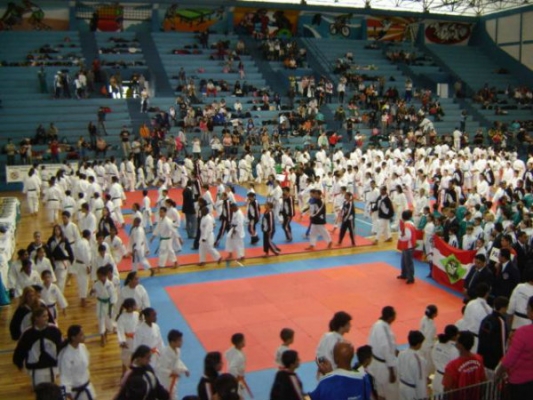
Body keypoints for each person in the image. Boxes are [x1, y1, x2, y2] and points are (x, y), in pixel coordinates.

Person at [13, 307, 62, 388]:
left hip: (51, 366)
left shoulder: (54, 330)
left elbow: (60, 347)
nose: (47, 318)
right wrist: (19, 363)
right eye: (44, 316)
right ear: (36, 318)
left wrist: (61, 364)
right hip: (36, 368)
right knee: (39, 390)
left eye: (47, 316)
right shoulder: (28, 333)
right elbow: (21, 350)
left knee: (52, 389)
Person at [495, 295, 533, 399]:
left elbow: (509, 360)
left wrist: (498, 373)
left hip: (519, 383)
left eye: (528, 308)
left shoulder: (523, 333)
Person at [367, 306, 398, 400]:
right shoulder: (383, 328)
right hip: (385, 367)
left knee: (380, 392)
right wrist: (391, 371)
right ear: (390, 317)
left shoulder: (377, 324)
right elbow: (386, 349)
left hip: (376, 362)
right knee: (392, 393)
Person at [58, 325, 96, 400]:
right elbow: (64, 378)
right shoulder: (66, 355)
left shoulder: (83, 347)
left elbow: (86, 364)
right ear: (73, 337)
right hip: (75, 392)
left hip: (87, 387)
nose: (84, 336)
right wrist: (65, 396)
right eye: (81, 335)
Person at [477, 296, 509, 378]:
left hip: (482, 358)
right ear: (503, 308)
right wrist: (503, 361)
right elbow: (503, 343)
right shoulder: (501, 322)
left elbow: (480, 336)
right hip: (493, 362)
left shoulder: (486, 318)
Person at [157, 329, 190, 400]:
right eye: (179, 340)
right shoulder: (165, 353)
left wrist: (185, 369)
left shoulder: (177, 350)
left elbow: (177, 361)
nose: (181, 342)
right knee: (166, 395)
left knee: (173, 394)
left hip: (173, 379)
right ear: (172, 342)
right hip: (165, 380)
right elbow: (160, 369)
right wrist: (171, 372)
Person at [397, 330, 428, 400]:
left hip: (402, 386)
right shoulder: (419, 360)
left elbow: (398, 371)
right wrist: (423, 397)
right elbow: (420, 380)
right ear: (418, 344)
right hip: (411, 391)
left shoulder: (401, 353)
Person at [91, 266, 117, 347]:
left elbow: (113, 295)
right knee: (101, 320)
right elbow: (93, 295)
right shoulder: (96, 284)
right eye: (98, 276)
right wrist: (92, 292)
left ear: (105, 275)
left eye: (100, 276)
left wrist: (112, 305)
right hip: (100, 304)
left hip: (109, 304)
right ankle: (102, 337)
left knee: (108, 322)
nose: (99, 277)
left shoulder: (110, 284)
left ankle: (106, 332)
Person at [463, 283, 492, 352]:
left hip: (465, 335)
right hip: (476, 340)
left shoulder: (470, 303)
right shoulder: (489, 309)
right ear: (487, 293)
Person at [150, 207, 180, 274]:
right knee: (170, 251)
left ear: (165, 213)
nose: (160, 213)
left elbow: (173, 230)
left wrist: (179, 238)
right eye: (160, 212)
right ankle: (176, 263)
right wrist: (153, 237)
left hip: (166, 240)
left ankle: (159, 268)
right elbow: (157, 229)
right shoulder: (161, 220)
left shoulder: (168, 221)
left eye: (162, 212)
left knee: (162, 253)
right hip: (165, 239)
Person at [431, 325, 459, 395]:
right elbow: (455, 367)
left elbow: (432, 356)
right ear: (454, 336)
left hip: (437, 377)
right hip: (447, 380)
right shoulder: (455, 350)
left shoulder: (437, 343)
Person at [116, 297, 139, 374]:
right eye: (134, 305)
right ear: (129, 308)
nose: (136, 306)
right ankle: (124, 371)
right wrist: (122, 341)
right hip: (127, 340)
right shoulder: (122, 318)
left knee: (136, 357)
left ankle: (134, 372)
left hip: (136, 339)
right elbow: (120, 331)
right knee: (125, 357)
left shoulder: (137, 315)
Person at [225, 333, 250, 398]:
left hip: (235, 377)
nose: (244, 341)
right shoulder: (239, 356)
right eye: (243, 340)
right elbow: (231, 368)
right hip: (237, 379)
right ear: (239, 343)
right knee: (239, 395)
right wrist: (238, 377)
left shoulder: (232, 349)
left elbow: (226, 354)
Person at [72, 229, 93, 307]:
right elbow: (86, 256)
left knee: (81, 282)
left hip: (78, 264)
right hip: (83, 264)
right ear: (88, 236)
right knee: (84, 282)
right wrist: (88, 266)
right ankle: (83, 300)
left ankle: (83, 299)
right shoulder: (85, 243)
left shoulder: (78, 242)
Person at [397, 210, 417, 284]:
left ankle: (410, 278)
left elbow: (407, 236)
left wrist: (400, 237)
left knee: (408, 262)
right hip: (407, 245)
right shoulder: (410, 224)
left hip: (408, 246)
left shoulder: (407, 226)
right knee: (404, 261)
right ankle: (404, 274)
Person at [419, 305, 438, 375]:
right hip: (428, 347)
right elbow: (429, 338)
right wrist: (435, 341)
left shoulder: (423, 318)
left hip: (421, 344)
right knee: (428, 365)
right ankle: (426, 377)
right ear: (434, 314)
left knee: (422, 363)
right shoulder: (432, 325)